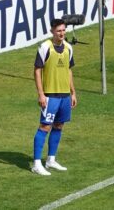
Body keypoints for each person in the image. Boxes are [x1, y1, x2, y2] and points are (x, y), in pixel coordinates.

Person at [31, 16, 77, 176]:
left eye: (64, 30)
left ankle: (51, 160)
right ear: (52, 31)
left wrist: (73, 92)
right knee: (44, 126)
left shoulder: (68, 48)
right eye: (58, 31)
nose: (62, 33)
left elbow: (69, 70)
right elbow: (37, 70)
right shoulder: (45, 47)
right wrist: (41, 94)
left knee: (59, 126)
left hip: (64, 95)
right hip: (50, 95)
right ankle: (37, 163)